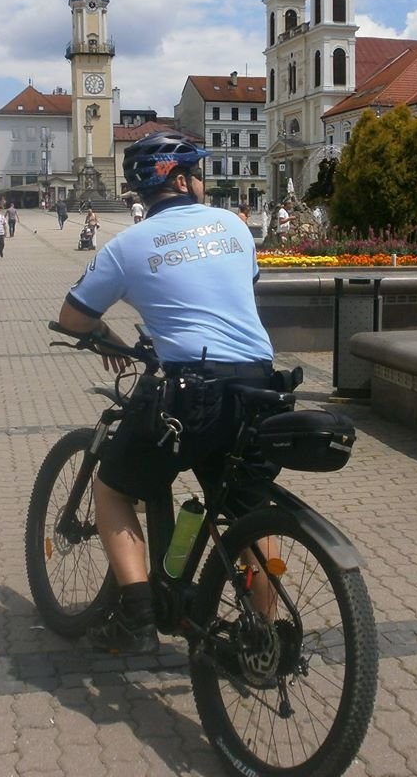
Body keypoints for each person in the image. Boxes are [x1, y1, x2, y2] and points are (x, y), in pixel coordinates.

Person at [58, 131, 274, 657]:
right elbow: (234, 292)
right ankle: (262, 640)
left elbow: (73, 319)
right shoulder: (234, 225)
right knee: (248, 511)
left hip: (193, 394)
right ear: (179, 180)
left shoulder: (126, 247)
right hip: (260, 387)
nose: (200, 181)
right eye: (195, 173)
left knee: (113, 489)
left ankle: (137, 619)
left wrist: (106, 335)